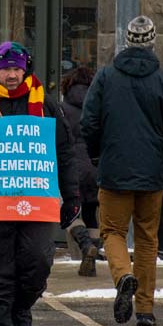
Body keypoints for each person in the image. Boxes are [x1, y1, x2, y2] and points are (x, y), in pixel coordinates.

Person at [0, 42, 79, 326]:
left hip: (37, 201)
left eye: (16, 68)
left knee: (37, 261)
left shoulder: (46, 104)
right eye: (5, 69)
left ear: (25, 69)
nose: (11, 75)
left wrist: (72, 196)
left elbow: (65, 152)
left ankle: (21, 308)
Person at [80, 16, 163, 326]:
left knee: (112, 231)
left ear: (126, 41)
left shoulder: (106, 77)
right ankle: (145, 308)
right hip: (152, 172)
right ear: (153, 43)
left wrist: (98, 154)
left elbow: (89, 123)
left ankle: (123, 276)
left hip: (114, 169)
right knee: (147, 238)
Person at [60, 66, 101, 276]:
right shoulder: (98, 105)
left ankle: (85, 245)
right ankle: (91, 258)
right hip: (95, 166)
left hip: (72, 167)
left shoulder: (62, 108)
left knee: (70, 211)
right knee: (91, 213)